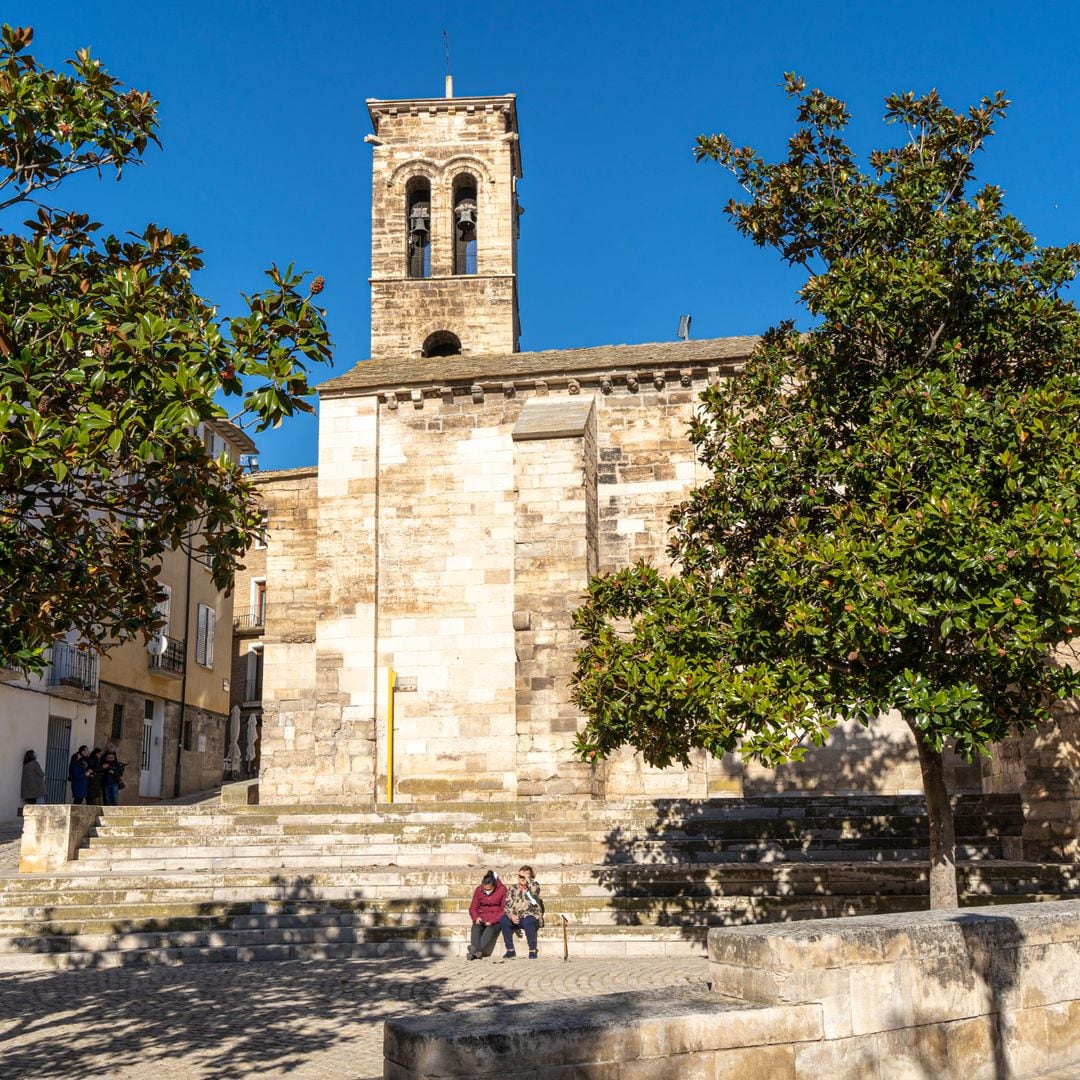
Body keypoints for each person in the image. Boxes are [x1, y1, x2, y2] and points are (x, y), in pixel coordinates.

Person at [499, 865, 544, 959]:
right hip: (516, 917)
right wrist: (511, 915)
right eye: (520, 876)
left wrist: (528, 878)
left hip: (529, 916)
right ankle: (510, 950)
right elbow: (507, 906)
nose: (522, 879)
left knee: (529, 920)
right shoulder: (513, 888)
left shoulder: (534, 886)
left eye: (525, 877)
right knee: (503, 920)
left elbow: (535, 891)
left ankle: (532, 950)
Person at [467, 870, 506, 960]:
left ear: (494, 886)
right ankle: (477, 952)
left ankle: (473, 952)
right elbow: (473, 908)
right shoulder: (479, 890)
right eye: (485, 889)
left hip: (496, 920)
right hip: (482, 918)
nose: (486, 891)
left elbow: (503, 909)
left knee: (490, 930)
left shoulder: (502, 889)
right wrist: (476, 918)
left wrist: (492, 921)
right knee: (475, 928)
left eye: (489, 890)